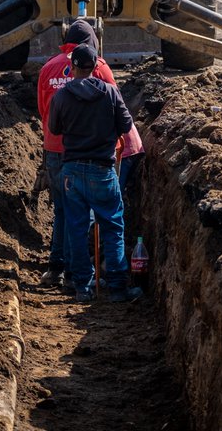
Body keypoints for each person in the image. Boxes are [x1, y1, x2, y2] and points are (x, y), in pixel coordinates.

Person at [47, 43, 140, 303]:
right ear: (95, 67)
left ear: (73, 67)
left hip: (72, 171)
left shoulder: (62, 97)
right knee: (112, 227)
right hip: (102, 170)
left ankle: (82, 288)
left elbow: (54, 129)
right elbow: (125, 124)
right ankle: (118, 287)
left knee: (76, 229)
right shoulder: (110, 93)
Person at [36, 21, 117, 288]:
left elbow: (41, 109)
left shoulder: (47, 68)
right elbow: (115, 104)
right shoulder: (100, 67)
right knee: (86, 213)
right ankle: (80, 274)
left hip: (54, 149)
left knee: (62, 211)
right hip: (87, 150)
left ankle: (57, 267)